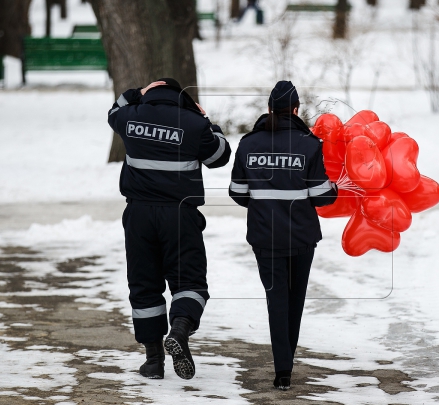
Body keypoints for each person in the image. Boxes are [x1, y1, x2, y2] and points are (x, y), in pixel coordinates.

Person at [107, 78, 231, 380]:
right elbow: (220, 156)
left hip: (138, 215)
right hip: (180, 216)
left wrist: (137, 93)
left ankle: (153, 361)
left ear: (150, 95)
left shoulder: (130, 117)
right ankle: (179, 330)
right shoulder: (193, 123)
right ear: (182, 99)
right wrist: (205, 120)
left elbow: (113, 111)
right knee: (189, 281)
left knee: (144, 284)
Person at [228, 81, 338, 390]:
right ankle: (286, 365)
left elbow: (237, 192)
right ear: (295, 110)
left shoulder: (249, 144)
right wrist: (335, 189)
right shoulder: (308, 144)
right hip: (302, 238)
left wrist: (263, 202)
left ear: (268, 109)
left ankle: (282, 371)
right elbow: (321, 197)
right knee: (295, 300)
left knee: (275, 300)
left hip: (264, 237)